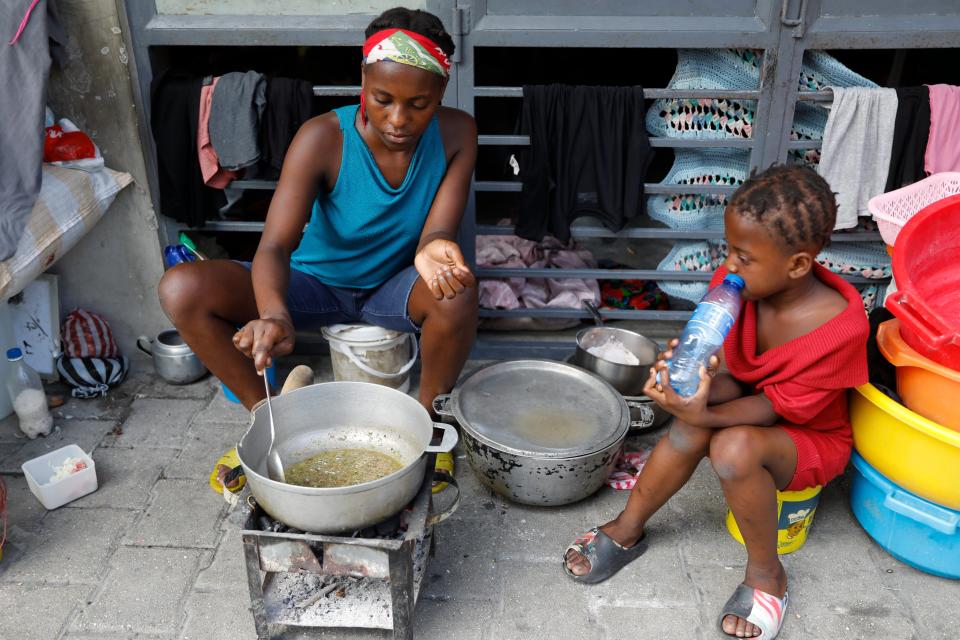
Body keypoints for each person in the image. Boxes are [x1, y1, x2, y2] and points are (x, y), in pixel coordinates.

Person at [562, 165, 869, 639]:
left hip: (809, 437)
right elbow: (729, 370)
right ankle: (629, 527)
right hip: (753, 404)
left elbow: (779, 407)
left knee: (732, 449)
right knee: (689, 427)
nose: (729, 265)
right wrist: (689, 377)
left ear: (797, 265)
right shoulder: (737, 289)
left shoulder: (838, 328)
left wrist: (706, 410)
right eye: (729, 250)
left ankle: (768, 574)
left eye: (744, 257)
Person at [158, 8, 478, 421]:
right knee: (181, 289)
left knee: (458, 292)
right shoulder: (323, 137)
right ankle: (270, 417)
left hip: (391, 291)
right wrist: (274, 314)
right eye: (383, 99)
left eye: (419, 104)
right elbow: (275, 245)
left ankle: (430, 423)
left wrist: (434, 247)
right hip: (314, 286)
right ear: (363, 78)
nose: (398, 120)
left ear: (442, 89)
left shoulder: (458, 133)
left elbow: (437, 229)